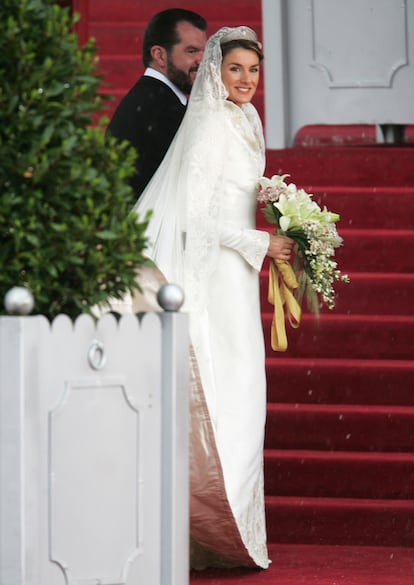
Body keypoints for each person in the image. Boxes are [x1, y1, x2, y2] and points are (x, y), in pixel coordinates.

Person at [133, 26, 294, 569]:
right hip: (214, 272)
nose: (246, 80)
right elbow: (196, 220)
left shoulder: (246, 118)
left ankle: (221, 534)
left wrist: (280, 210)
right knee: (230, 393)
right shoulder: (206, 125)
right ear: (214, 73)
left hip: (237, 276)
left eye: (253, 70)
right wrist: (261, 241)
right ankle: (212, 529)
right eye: (235, 69)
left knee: (247, 390)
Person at [106, 8, 207, 198]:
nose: (201, 60)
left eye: (204, 51)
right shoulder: (163, 109)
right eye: (191, 51)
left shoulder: (150, 97)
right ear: (159, 55)